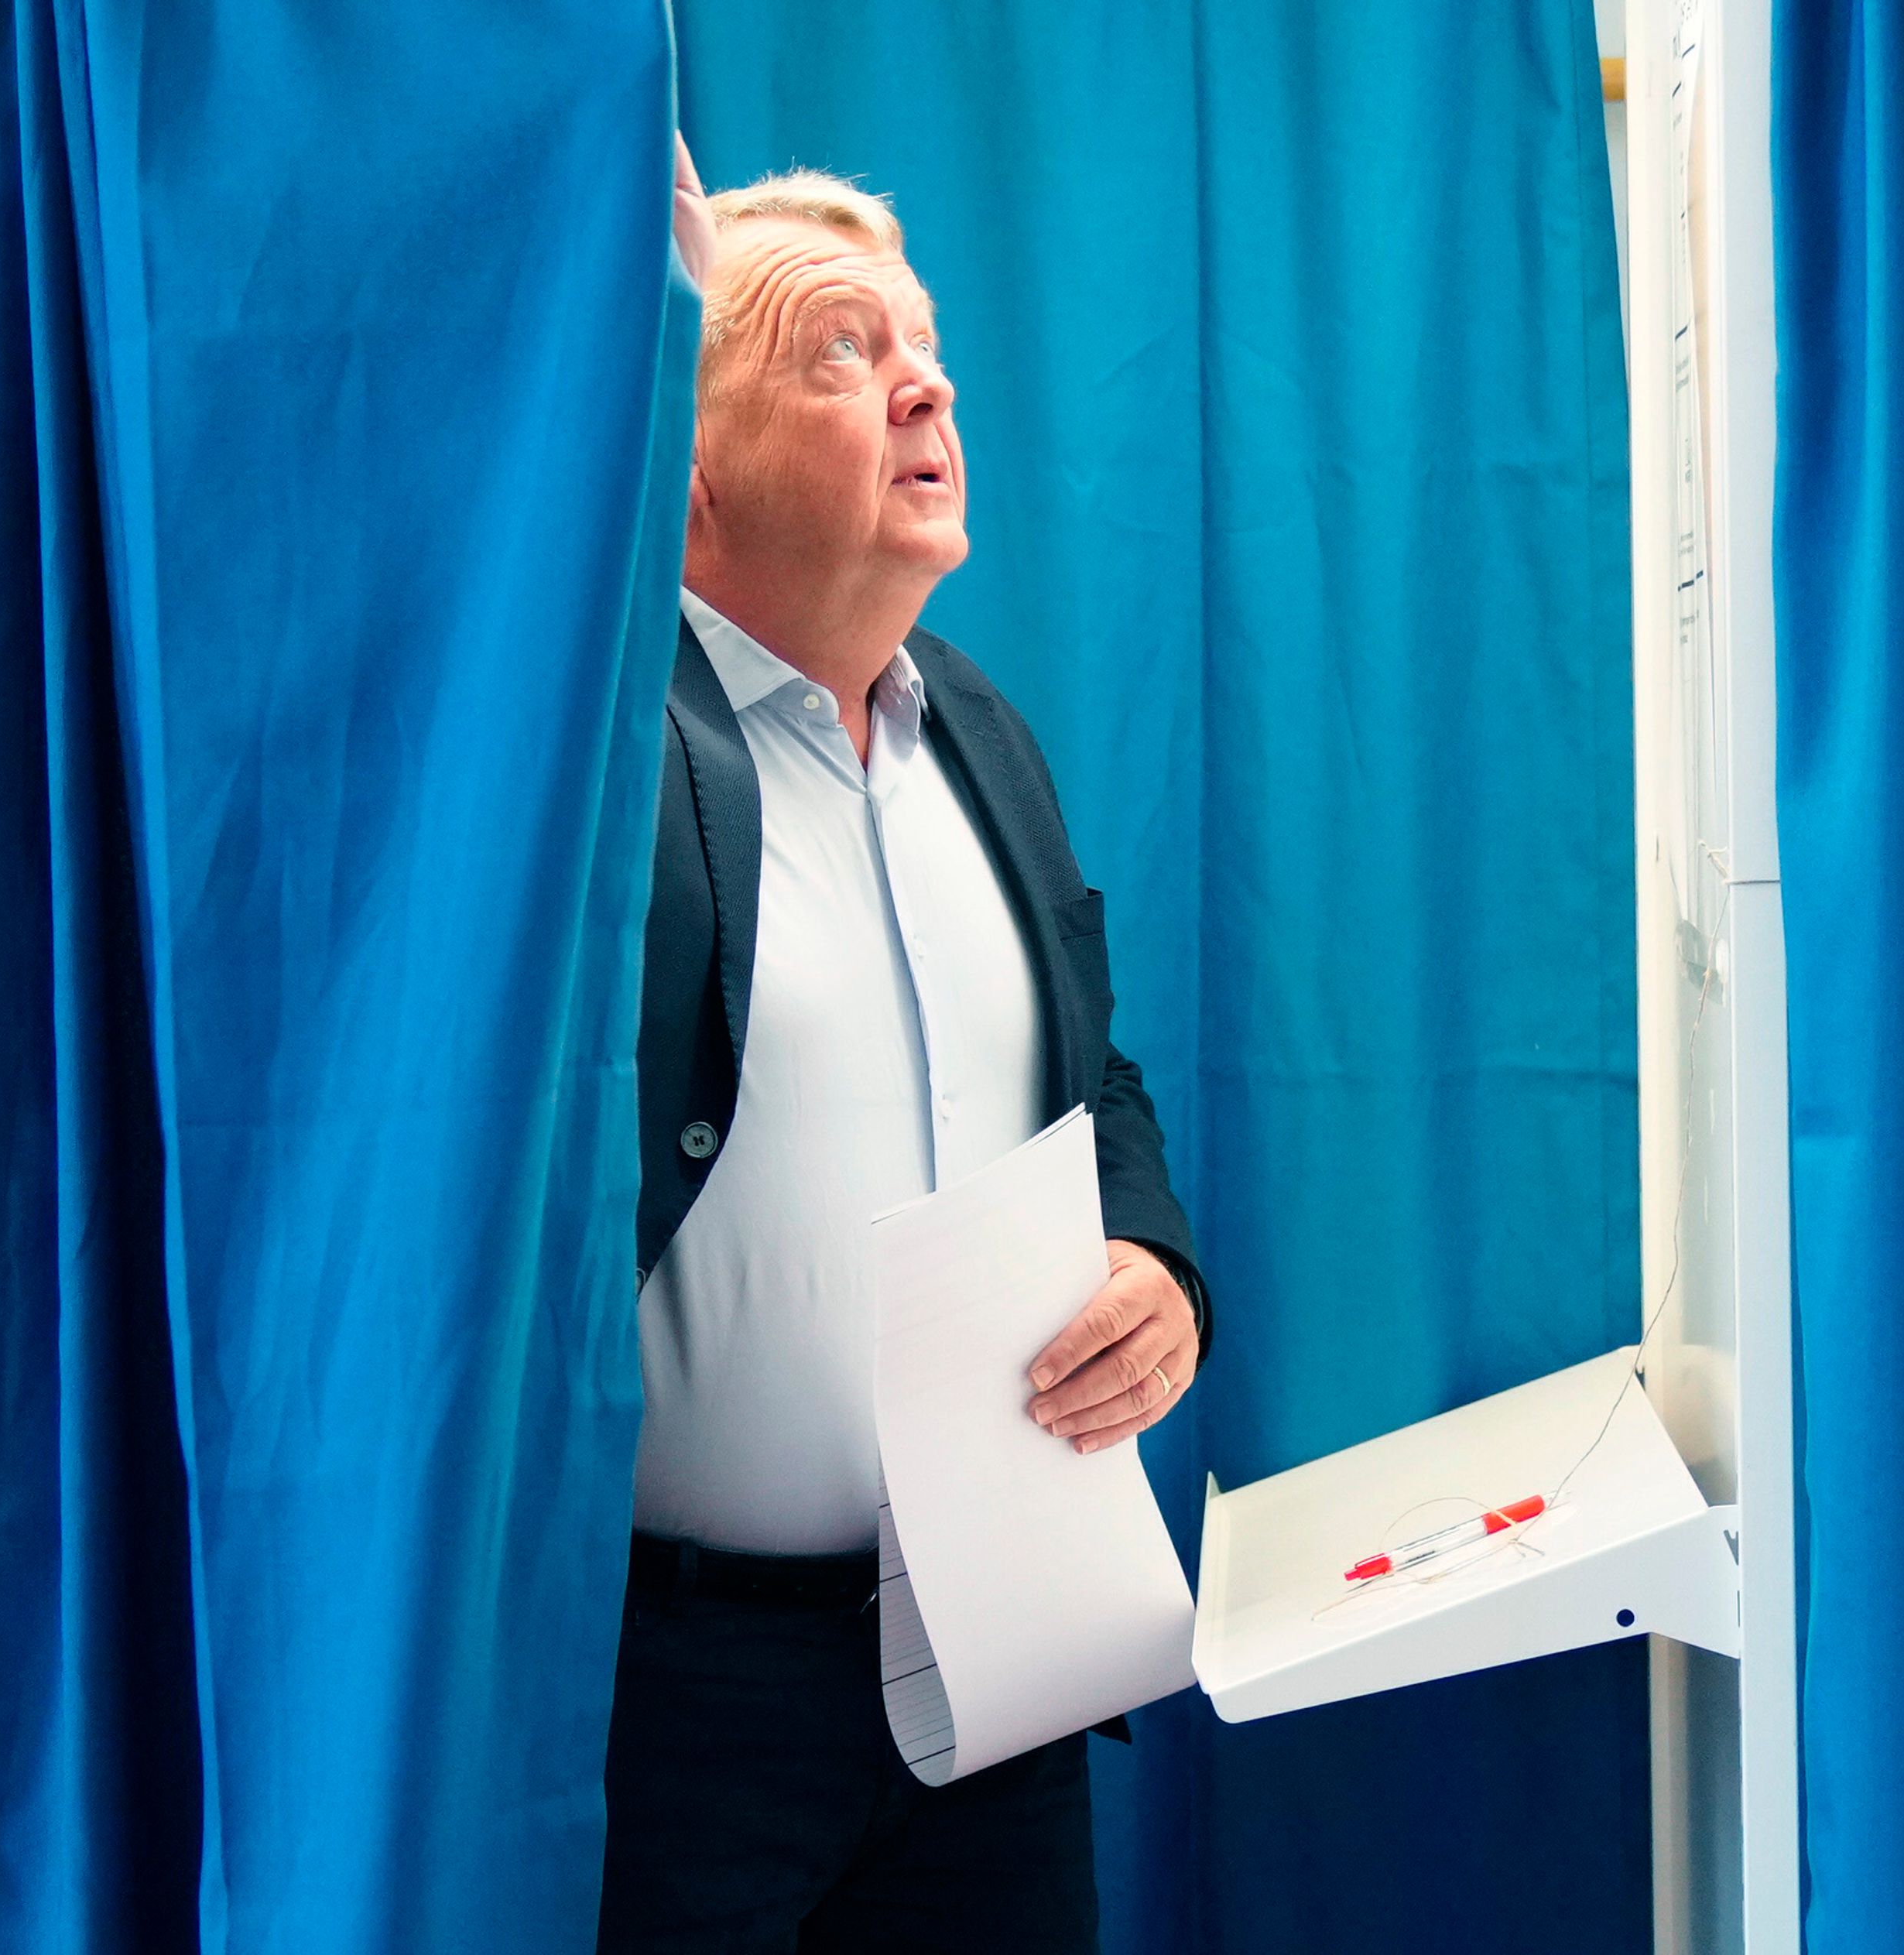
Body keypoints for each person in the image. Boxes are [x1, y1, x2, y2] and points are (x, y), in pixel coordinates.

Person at [600, 159, 1210, 1953]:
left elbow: (1093, 1077)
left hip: (986, 1660)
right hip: (681, 1696)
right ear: (690, 464)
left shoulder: (986, 739)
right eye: (839, 353)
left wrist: (1156, 1265)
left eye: (925, 350)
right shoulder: (597, 750)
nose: (924, 386)